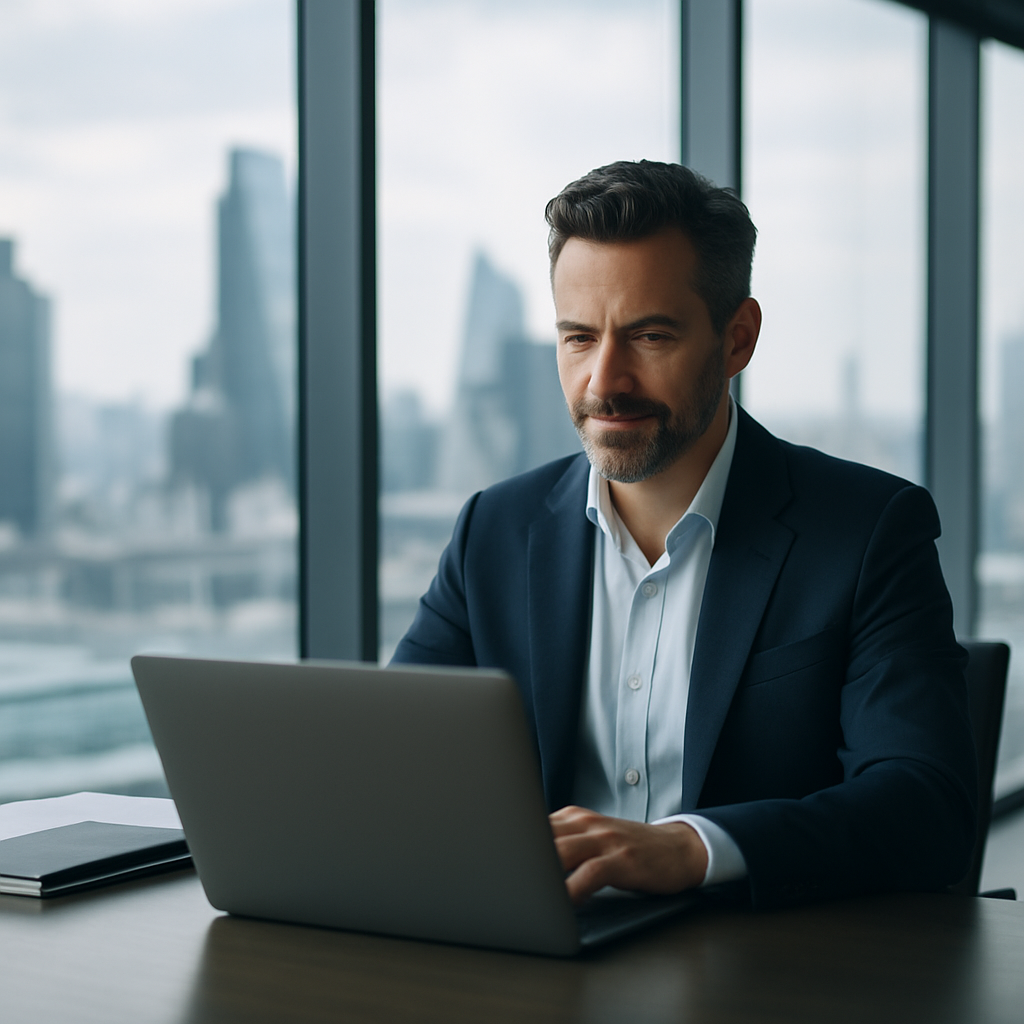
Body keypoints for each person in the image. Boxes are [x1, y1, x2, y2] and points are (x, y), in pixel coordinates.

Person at [392, 160, 977, 909]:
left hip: (768, 977)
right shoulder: (493, 532)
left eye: (650, 335)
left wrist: (691, 847)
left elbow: (928, 808)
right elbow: (396, 769)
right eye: (577, 338)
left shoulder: (867, 532)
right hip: (537, 966)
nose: (605, 380)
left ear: (737, 339)